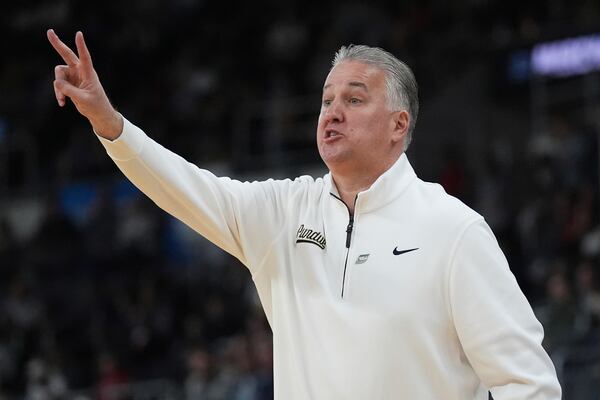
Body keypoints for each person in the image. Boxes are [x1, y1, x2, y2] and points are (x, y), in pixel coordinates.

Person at [47, 29, 562, 399]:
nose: (332, 111)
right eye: (326, 100)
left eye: (354, 99)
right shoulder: (284, 213)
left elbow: (529, 385)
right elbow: (185, 188)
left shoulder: (455, 231)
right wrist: (107, 121)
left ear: (398, 125)